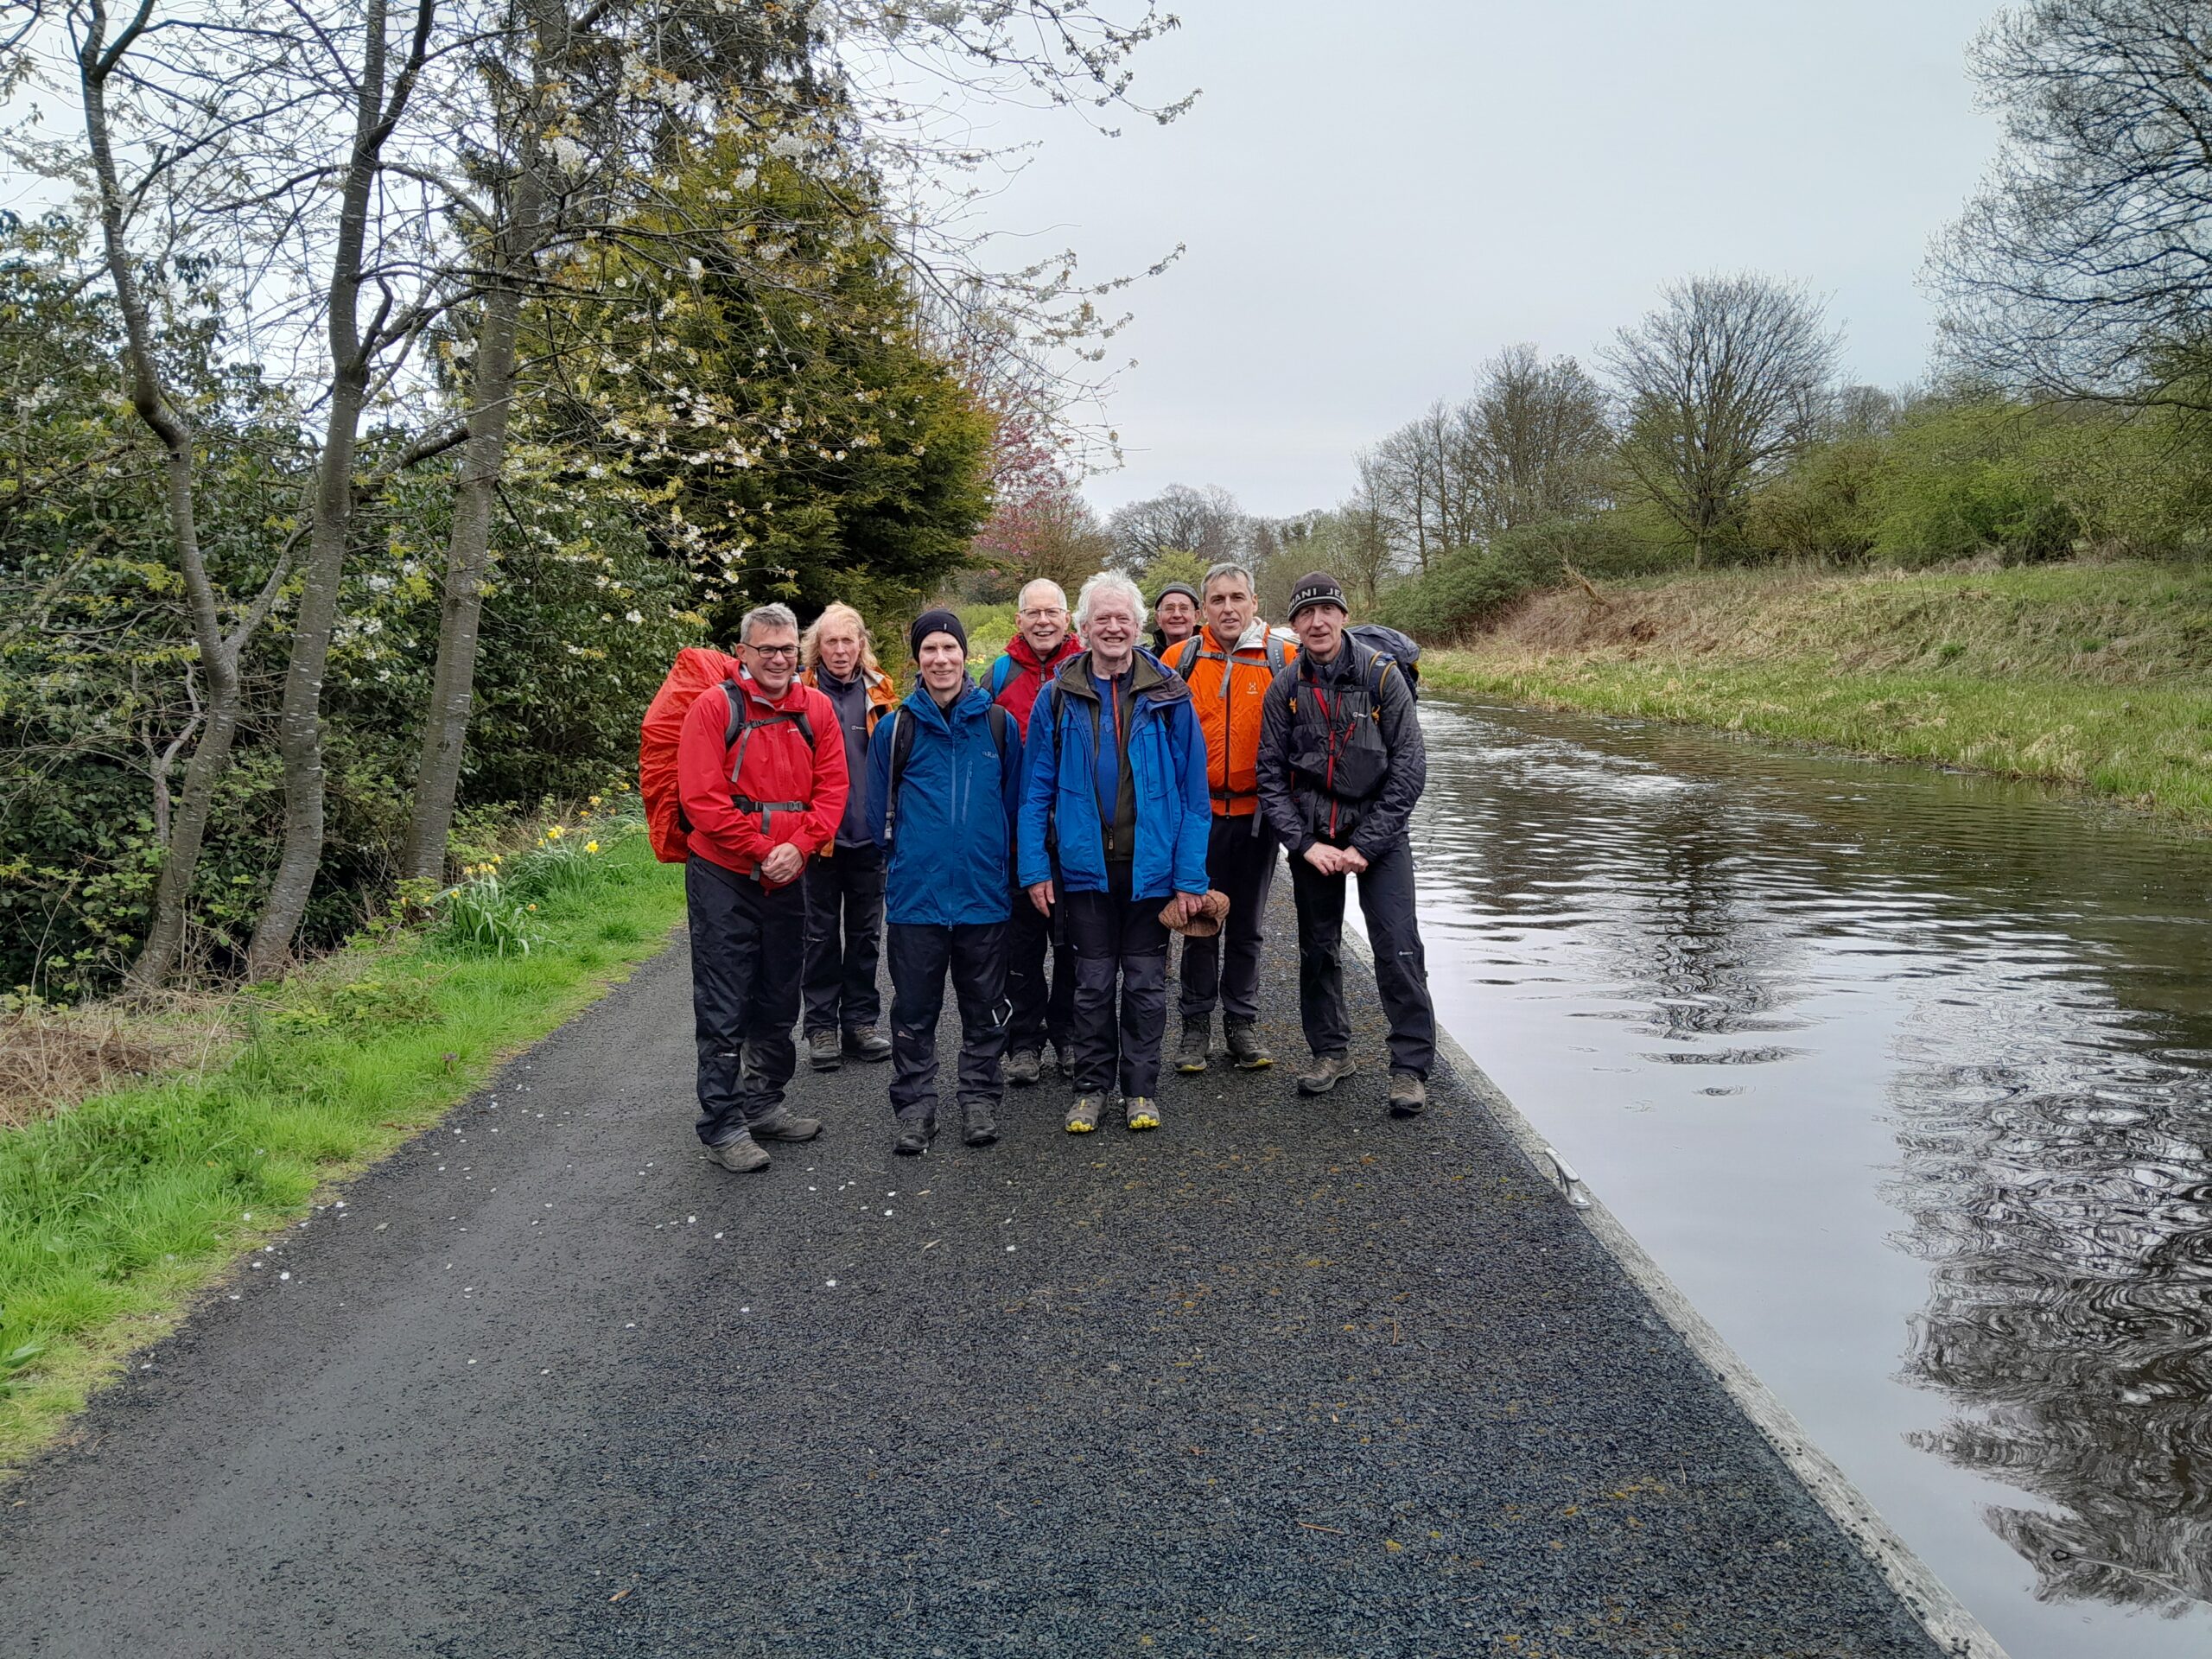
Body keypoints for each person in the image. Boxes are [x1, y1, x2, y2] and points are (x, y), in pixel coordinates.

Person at [1020, 571, 1210, 1134]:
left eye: (1122, 617)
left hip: (1150, 871)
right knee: (1093, 984)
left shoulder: (1171, 692)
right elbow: (1035, 793)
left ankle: (1141, 1091)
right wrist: (1034, 867)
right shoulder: (1056, 698)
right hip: (1084, 873)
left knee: (1147, 986)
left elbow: (1195, 799)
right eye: (1101, 617)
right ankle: (1090, 1089)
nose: (1112, 626)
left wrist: (1190, 876)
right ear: (1082, 628)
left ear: (1138, 625)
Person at [1255, 571, 1435, 1116]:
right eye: (1306, 615)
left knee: (1398, 947)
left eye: (1327, 611)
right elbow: (1269, 775)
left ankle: (1409, 1066)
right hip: (1315, 837)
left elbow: (1410, 768)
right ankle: (1330, 1052)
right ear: (1294, 625)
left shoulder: (1383, 678)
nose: (1317, 622)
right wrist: (1305, 845)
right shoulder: (1285, 687)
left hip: (1379, 835)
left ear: (1344, 615)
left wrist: (1367, 845)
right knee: (1318, 950)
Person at [677, 602, 849, 1171]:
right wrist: (762, 850)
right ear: (743, 654)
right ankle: (723, 1125)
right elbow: (701, 801)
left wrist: (798, 848)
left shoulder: (816, 709)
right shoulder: (713, 708)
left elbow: (832, 790)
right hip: (722, 876)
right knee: (725, 1002)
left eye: (786, 649)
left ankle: (764, 1104)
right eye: (766, 649)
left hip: (790, 874)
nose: (778, 659)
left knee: (779, 994)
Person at [866, 610, 1023, 1154]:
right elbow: (875, 816)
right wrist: (909, 864)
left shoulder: (1000, 726)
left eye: (948, 649)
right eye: (929, 650)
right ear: (917, 659)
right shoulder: (894, 729)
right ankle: (915, 1108)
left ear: (964, 656)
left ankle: (979, 1099)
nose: (940, 659)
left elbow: (1012, 809)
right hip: (917, 900)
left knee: (985, 1005)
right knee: (913, 1011)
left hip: (983, 897)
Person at [1160, 562, 1295, 1074]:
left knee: (1247, 925)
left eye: (1237, 598)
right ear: (1203, 609)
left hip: (1258, 816)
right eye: (1217, 600)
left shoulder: (1282, 658)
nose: (1228, 608)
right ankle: (1195, 1027)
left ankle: (1242, 1023)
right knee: (1198, 919)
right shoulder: (1181, 658)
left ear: (1254, 603)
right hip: (1197, 816)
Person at [985, 578, 1083, 1084]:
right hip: (1016, 833)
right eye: (1033, 613)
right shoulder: (998, 674)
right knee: (1019, 948)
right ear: (1018, 619)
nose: (1043, 621)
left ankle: (1067, 1035)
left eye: (1053, 612)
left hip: (1076, 833)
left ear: (1067, 618)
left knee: (1073, 944)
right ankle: (1024, 1041)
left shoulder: (1088, 668)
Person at [797, 602, 899, 1071]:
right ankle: (820, 1027)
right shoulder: (799, 693)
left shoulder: (882, 692)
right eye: (831, 642)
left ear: (862, 645)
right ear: (817, 648)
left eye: (848, 640)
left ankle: (860, 1023)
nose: (840, 650)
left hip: (869, 836)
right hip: (817, 839)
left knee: (864, 937)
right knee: (817, 937)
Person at [1149, 581, 1202, 656]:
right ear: (1158, 618)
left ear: (1196, 617)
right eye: (1169, 608)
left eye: (1184, 608)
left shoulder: (1212, 657)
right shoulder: (1146, 660)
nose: (1177, 615)